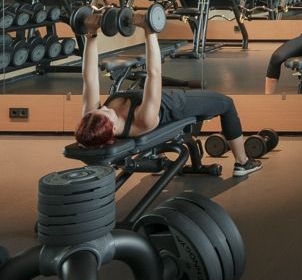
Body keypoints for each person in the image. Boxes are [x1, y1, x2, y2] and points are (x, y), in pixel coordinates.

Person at [73, 16, 262, 177]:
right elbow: (154, 73)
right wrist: (149, 31)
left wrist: (91, 33)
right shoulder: (142, 120)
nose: (104, 107)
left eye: (100, 109)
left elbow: (89, 77)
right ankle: (242, 162)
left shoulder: (93, 118)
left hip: (149, 95)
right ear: (113, 128)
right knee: (226, 103)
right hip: (175, 104)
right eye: (106, 112)